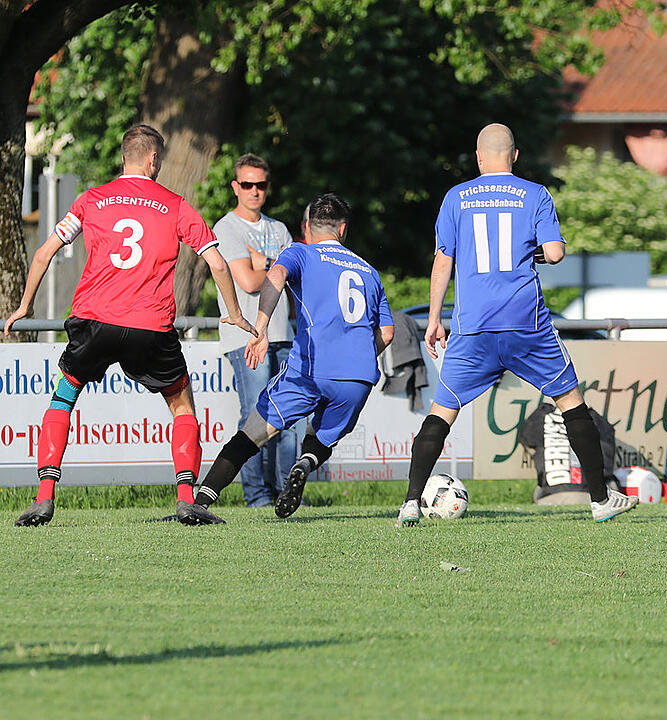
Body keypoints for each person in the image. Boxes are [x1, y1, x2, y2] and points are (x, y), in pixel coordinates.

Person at [4, 124, 254, 527]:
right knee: (181, 404)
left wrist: (24, 306)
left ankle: (43, 497)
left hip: (94, 319)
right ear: (153, 159)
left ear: (124, 157)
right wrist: (235, 313)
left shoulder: (91, 200)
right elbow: (218, 263)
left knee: (64, 396)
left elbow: (43, 254)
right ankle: (187, 499)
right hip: (150, 324)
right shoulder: (174, 204)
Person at [395, 123, 638, 526]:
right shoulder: (535, 193)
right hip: (526, 324)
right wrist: (532, 253)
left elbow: (443, 260)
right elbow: (555, 254)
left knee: (443, 411)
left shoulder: (456, 197)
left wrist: (435, 318)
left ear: (478, 157)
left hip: (473, 326)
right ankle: (599, 498)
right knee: (571, 403)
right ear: (515, 156)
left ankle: (409, 502)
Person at [186, 193, 394, 524]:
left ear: (308, 226)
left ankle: (200, 502)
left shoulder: (300, 251)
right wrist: (357, 357)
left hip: (311, 369)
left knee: (252, 434)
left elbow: (275, 276)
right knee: (319, 435)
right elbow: (387, 333)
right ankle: (305, 464)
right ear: (343, 229)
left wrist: (261, 327)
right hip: (358, 376)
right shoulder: (368, 270)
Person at [213, 153, 300, 508]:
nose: (254, 191)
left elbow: (293, 277)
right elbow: (248, 282)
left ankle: (286, 492)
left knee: (289, 416)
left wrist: (262, 262)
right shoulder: (226, 228)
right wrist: (274, 265)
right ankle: (256, 494)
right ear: (235, 186)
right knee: (255, 415)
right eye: (247, 184)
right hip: (247, 336)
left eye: (260, 184)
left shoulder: (279, 229)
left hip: (282, 334)